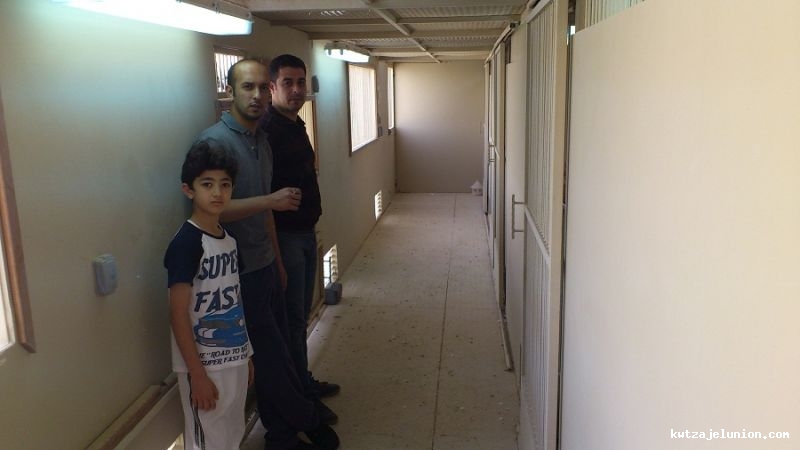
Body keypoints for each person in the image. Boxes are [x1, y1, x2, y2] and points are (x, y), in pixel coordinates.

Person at [197, 59, 338, 450]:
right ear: (230, 91)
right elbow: (210, 208)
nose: (257, 95)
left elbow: (267, 213)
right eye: (248, 87)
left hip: (264, 262)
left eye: (262, 87)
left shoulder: (259, 140)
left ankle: (282, 432)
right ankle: (300, 420)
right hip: (235, 271)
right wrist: (269, 201)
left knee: (275, 353)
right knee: (272, 356)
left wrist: (276, 259)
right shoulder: (214, 144)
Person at [262, 54, 340, 406]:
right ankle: (299, 398)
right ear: (272, 87)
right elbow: (264, 196)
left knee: (301, 316)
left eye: (300, 82)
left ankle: (302, 382)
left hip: (305, 233)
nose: (296, 90)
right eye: (287, 83)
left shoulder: (295, 125)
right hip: (286, 238)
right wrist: (277, 255)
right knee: (293, 321)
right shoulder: (268, 132)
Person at [164, 141, 252, 450]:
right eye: (207, 184)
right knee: (207, 441)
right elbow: (177, 313)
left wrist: (247, 355)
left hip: (234, 359)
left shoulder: (230, 241)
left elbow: (235, 301)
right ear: (188, 190)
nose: (217, 192)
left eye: (225, 184)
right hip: (204, 365)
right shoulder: (186, 244)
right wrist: (197, 374)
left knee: (232, 433)